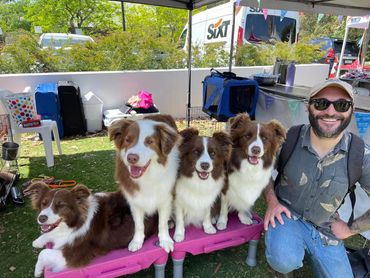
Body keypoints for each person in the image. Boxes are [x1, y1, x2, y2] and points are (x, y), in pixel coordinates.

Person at [263, 79, 370, 277]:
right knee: (284, 259)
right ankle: (286, 255)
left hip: (327, 228)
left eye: (341, 105)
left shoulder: (360, 154)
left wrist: (350, 229)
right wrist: (272, 201)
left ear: (351, 110)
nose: (330, 112)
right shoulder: (288, 139)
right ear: (308, 107)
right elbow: (260, 171)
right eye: (321, 103)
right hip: (287, 215)